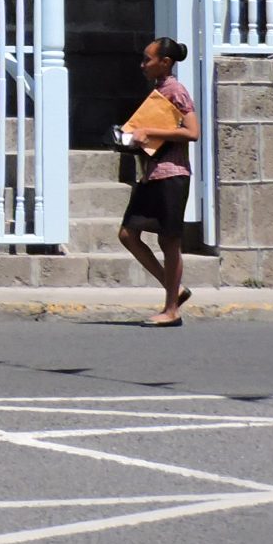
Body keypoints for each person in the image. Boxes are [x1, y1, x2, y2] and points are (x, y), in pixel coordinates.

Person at [118, 36, 199, 327]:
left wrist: (148, 130)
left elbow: (193, 132)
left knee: (170, 242)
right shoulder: (159, 90)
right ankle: (174, 290)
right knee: (128, 234)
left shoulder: (175, 90)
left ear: (165, 62)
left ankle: (171, 310)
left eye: (147, 59)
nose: (143, 65)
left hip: (172, 175)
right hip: (153, 174)